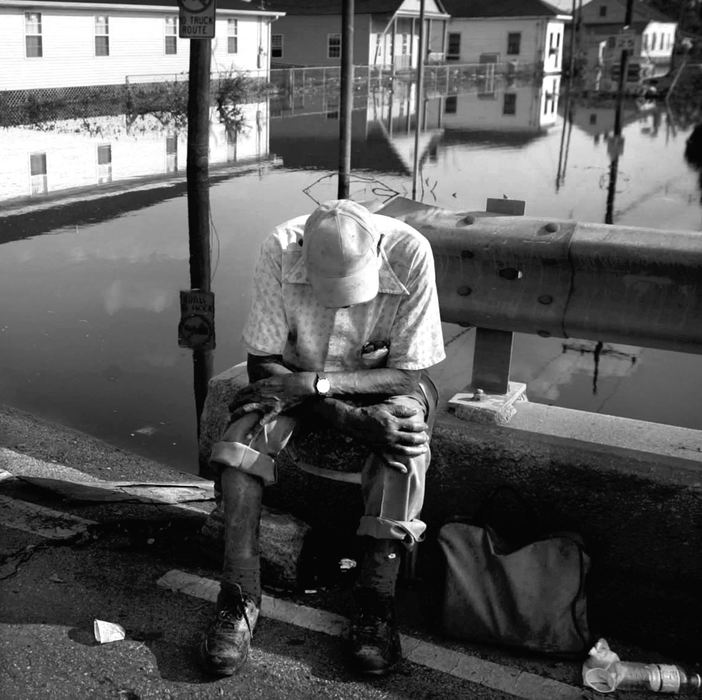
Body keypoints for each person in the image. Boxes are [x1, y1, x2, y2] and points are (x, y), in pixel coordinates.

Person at [199, 199, 445, 677]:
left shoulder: (411, 252)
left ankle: (375, 603)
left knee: (403, 451)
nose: (342, 301)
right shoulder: (279, 247)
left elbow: (409, 376)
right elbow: (263, 363)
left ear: (376, 251)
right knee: (239, 445)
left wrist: (319, 386)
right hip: (294, 381)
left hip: (375, 385)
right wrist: (341, 415)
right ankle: (239, 594)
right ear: (304, 257)